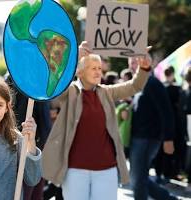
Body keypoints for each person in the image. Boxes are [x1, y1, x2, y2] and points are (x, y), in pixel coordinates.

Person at [42, 41, 151, 200]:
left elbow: (134, 86)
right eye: (93, 68)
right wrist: (74, 58)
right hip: (74, 171)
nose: (98, 72)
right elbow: (55, 83)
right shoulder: (70, 91)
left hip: (107, 170)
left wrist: (144, 67)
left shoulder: (107, 92)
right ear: (79, 72)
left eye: (100, 68)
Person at [129, 57, 179, 200]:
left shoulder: (152, 83)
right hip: (139, 137)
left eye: (135, 62)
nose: (133, 65)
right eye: (131, 62)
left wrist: (169, 138)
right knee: (139, 179)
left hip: (148, 138)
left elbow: (167, 112)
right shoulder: (138, 83)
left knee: (137, 180)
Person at [6, 75, 52, 200]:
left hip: (39, 148)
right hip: (20, 147)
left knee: (36, 193)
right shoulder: (15, 77)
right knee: (23, 192)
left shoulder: (42, 80)